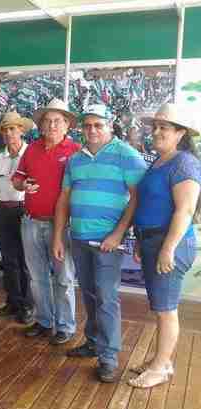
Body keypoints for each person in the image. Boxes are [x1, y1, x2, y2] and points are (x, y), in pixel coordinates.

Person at [53, 104, 147, 383]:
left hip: (108, 242)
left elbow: (137, 198)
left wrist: (118, 233)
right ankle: (93, 342)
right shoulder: (76, 159)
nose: (92, 130)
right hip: (79, 238)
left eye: (98, 125)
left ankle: (108, 357)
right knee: (91, 294)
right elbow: (64, 198)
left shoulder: (126, 155)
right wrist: (58, 235)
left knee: (106, 298)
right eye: (88, 125)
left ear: (110, 126)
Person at [129, 103, 201, 388]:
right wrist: (140, 240)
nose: (156, 132)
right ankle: (162, 358)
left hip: (169, 243)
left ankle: (160, 367)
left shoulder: (184, 163)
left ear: (180, 133)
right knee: (159, 305)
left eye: (164, 128)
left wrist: (168, 248)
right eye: (155, 126)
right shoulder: (159, 161)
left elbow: (184, 211)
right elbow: (149, 203)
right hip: (152, 241)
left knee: (166, 307)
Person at [12, 98, 80, 345]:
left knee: (63, 277)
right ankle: (44, 321)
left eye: (57, 121)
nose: (52, 125)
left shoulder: (75, 152)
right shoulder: (31, 149)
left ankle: (65, 326)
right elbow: (17, 179)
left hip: (60, 226)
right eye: (47, 121)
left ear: (66, 125)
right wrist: (23, 184)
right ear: (40, 125)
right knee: (37, 277)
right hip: (30, 222)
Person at [0, 111, 34, 324]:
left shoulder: (32, 155)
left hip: (25, 211)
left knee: (26, 261)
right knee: (9, 261)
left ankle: (27, 305)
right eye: (5, 130)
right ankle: (13, 301)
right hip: (3, 212)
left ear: (21, 130)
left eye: (13, 129)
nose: (8, 133)